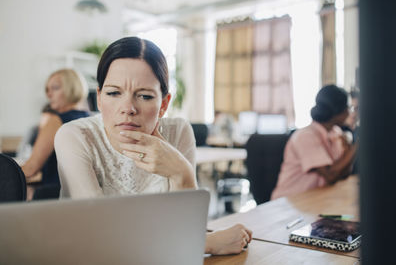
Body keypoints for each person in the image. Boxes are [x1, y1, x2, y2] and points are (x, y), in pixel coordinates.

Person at [54, 36, 252, 255]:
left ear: (164, 104)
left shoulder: (179, 132)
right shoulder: (74, 136)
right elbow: (101, 234)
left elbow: (185, 229)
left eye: (145, 96)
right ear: (99, 99)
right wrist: (207, 243)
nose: (128, 108)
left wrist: (182, 172)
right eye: (113, 93)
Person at [271, 84, 357, 200]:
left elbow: (342, 173)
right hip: (289, 204)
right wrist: (357, 146)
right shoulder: (305, 137)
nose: (350, 113)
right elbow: (330, 175)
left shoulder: (336, 133)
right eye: (348, 108)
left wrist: (349, 149)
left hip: (317, 200)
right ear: (337, 111)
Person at [21, 69, 89, 200]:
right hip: (83, 198)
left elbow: (31, 169)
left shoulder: (56, 120)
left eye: (55, 88)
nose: (49, 95)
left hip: (58, 197)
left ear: (72, 89)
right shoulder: (91, 118)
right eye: (48, 90)